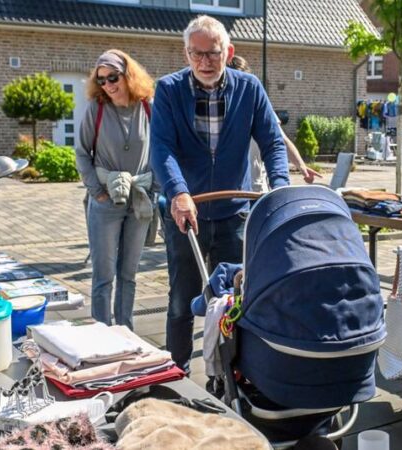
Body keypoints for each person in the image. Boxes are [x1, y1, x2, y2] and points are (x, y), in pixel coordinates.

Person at [150, 15, 290, 371]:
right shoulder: (169, 89)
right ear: (186, 54)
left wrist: (281, 187)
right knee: (182, 301)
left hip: (234, 214)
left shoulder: (249, 88)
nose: (204, 63)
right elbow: (162, 148)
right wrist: (178, 192)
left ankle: (236, 374)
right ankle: (175, 372)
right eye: (196, 54)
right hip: (187, 215)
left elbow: (272, 141)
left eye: (212, 54)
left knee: (235, 299)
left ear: (228, 52)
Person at [75, 49, 155, 330]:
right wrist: (96, 190)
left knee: (129, 274)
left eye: (113, 77)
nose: (108, 85)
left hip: (139, 198)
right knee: (103, 276)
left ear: (127, 75)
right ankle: (101, 334)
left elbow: (162, 147)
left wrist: (154, 185)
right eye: (102, 80)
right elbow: (82, 152)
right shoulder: (96, 109)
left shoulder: (148, 106)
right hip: (106, 200)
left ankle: (126, 332)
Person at [227, 55, 321, 191]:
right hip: (226, 192)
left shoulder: (258, 106)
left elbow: (281, 140)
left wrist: (301, 165)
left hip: (255, 188)